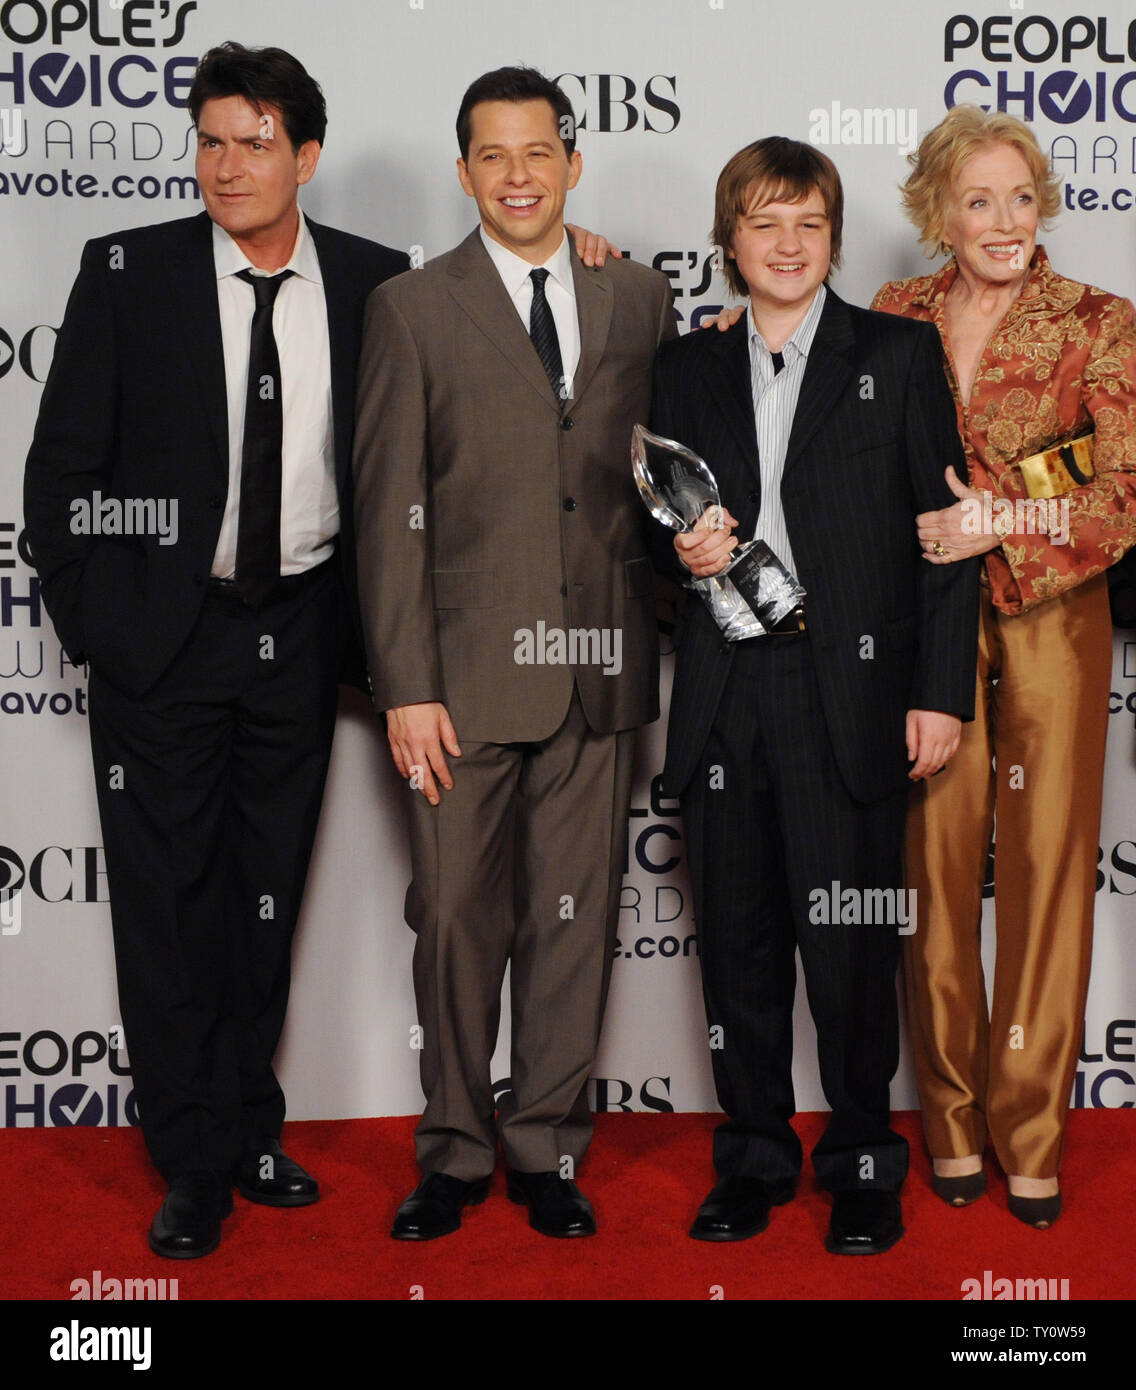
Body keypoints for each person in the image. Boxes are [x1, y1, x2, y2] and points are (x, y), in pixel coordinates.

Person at [22, 42, 411, 1258]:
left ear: (304, 156)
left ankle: (250, 1126)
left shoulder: (372, 282)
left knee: (264, 895)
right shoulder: (126, 271)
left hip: (296, 634)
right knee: (167, 904)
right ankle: (190, 1160)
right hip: (162, 642)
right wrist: (106, 624)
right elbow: (61, 477)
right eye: (209, 140)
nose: (226, 165)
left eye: (253, 142)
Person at [353, 65, 675, 1241]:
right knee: (452, 916)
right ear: (462, 174)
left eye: (537, 152)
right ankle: (451, 1150)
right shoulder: (411, 307)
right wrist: (407, 685)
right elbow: (389, 506)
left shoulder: (635, 297)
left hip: (597, 666)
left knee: (571, 917)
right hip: (462, 677)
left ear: (572, 163)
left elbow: (662, 464)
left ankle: (542, 1144)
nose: (517, 175)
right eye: (491, 156)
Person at [651, 137, 978, 1253]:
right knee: (736, 948)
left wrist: (938, 695)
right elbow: (643, 530)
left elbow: (944, 538)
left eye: (806, 223)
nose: (785, 245)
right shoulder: (682, 366)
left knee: (848, 951)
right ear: (727, 240)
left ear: (832, 238)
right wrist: (678, 558)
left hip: (852, 692)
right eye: (761, 223)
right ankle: (749, 1158)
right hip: (724, 686)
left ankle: (859, 1163)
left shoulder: (898, 349)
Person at [872, 105, 1136, 1228]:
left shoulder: (1100, 322)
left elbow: (1117, 483)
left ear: (1045, 205)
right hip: (920, 622)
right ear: (937, 210)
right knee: (929, 872)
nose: (1001, 221)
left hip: (1050, 619)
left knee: (1042, 873)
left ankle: (1027, 1130)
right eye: (975, 199)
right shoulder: (890, 314)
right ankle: (946, 1118)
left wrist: (1000, 513)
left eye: (1019, 197)